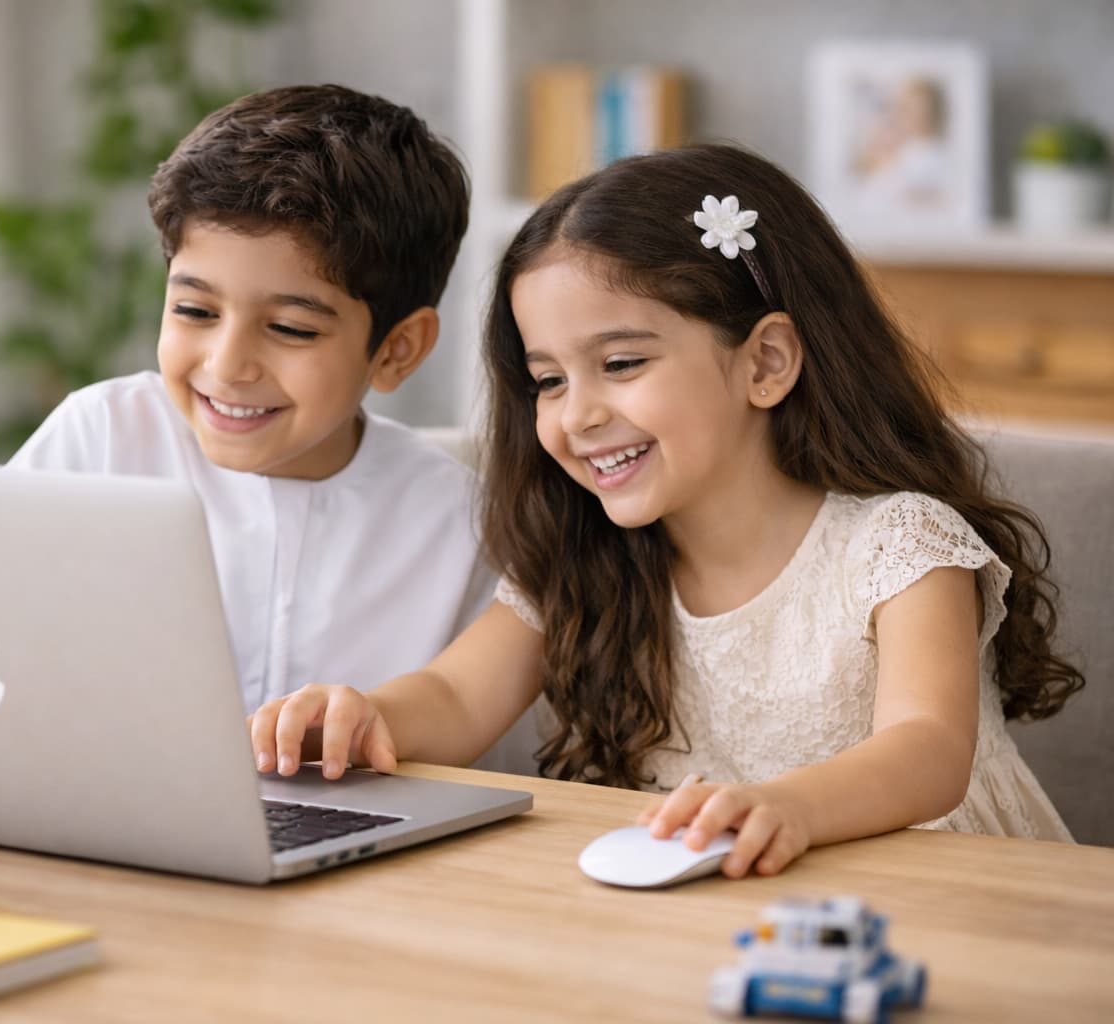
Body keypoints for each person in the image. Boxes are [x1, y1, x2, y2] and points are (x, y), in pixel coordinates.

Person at [251, 144, 1083, 877]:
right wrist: (366, 716)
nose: (576, 415)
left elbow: (927, 751)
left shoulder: (902, 544)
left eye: (619, 362)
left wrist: (785, 807)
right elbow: (458, 699)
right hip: (732, 895)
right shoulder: (589, 559)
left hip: (954, 897)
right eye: (548, 380)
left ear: (766, 361)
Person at [11, 84, 538, 772]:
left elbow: (488, 760)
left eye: (290, 328)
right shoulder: (101, 436)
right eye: (195, 311)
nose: (227, 367)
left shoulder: (460, 525)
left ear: (396, 349)